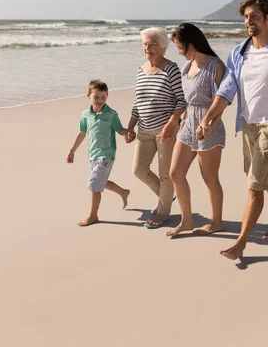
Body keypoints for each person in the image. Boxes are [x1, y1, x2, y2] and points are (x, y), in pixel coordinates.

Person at [197, 0, 268, 259]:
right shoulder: (238, 53)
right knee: (266, 175)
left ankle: (241, 242)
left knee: (255, 184)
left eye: (254, 16)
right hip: (248, 125)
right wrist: (208, 118)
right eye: (246, 17)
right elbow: (227, 90)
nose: (249, 21)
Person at [166, 23, 227, 237]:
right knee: (175, 173)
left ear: (191, 43)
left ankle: (217, 222)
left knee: (209, 177)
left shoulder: (216, 66)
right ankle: (187, 220)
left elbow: (222, 101)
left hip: (209, 126)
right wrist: (179, 121)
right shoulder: (186, 67)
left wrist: (208, 125)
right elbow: (185, 99)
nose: (179, 51)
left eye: (179, 46)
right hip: (188, 123)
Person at [125, 27, 186, 229]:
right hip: (143, 129)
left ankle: (162, 212)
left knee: (166, 174)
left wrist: (171, 124)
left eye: (152, 44)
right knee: (139, 170)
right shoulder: (140, 70)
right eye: (145, 44)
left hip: (165, 129)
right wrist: (130, 127)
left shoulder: (171, 68)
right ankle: (166, 197)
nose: (148, 48)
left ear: (162, 46)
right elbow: (138, 102)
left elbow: (181, 100)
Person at [66, 80, 130, 227]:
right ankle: (123, 192)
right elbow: (82, 133)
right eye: (96, 97)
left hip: (107, 155)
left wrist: (128, 133)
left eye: (103, 97)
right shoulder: (85, 115)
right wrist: (72, 151)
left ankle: (93, 215)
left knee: (94, 184)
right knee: (101, 182)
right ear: (88, 96)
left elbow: (119, 130)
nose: (100, 100)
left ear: (107, 96)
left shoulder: (111, 114)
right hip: (93, 155)